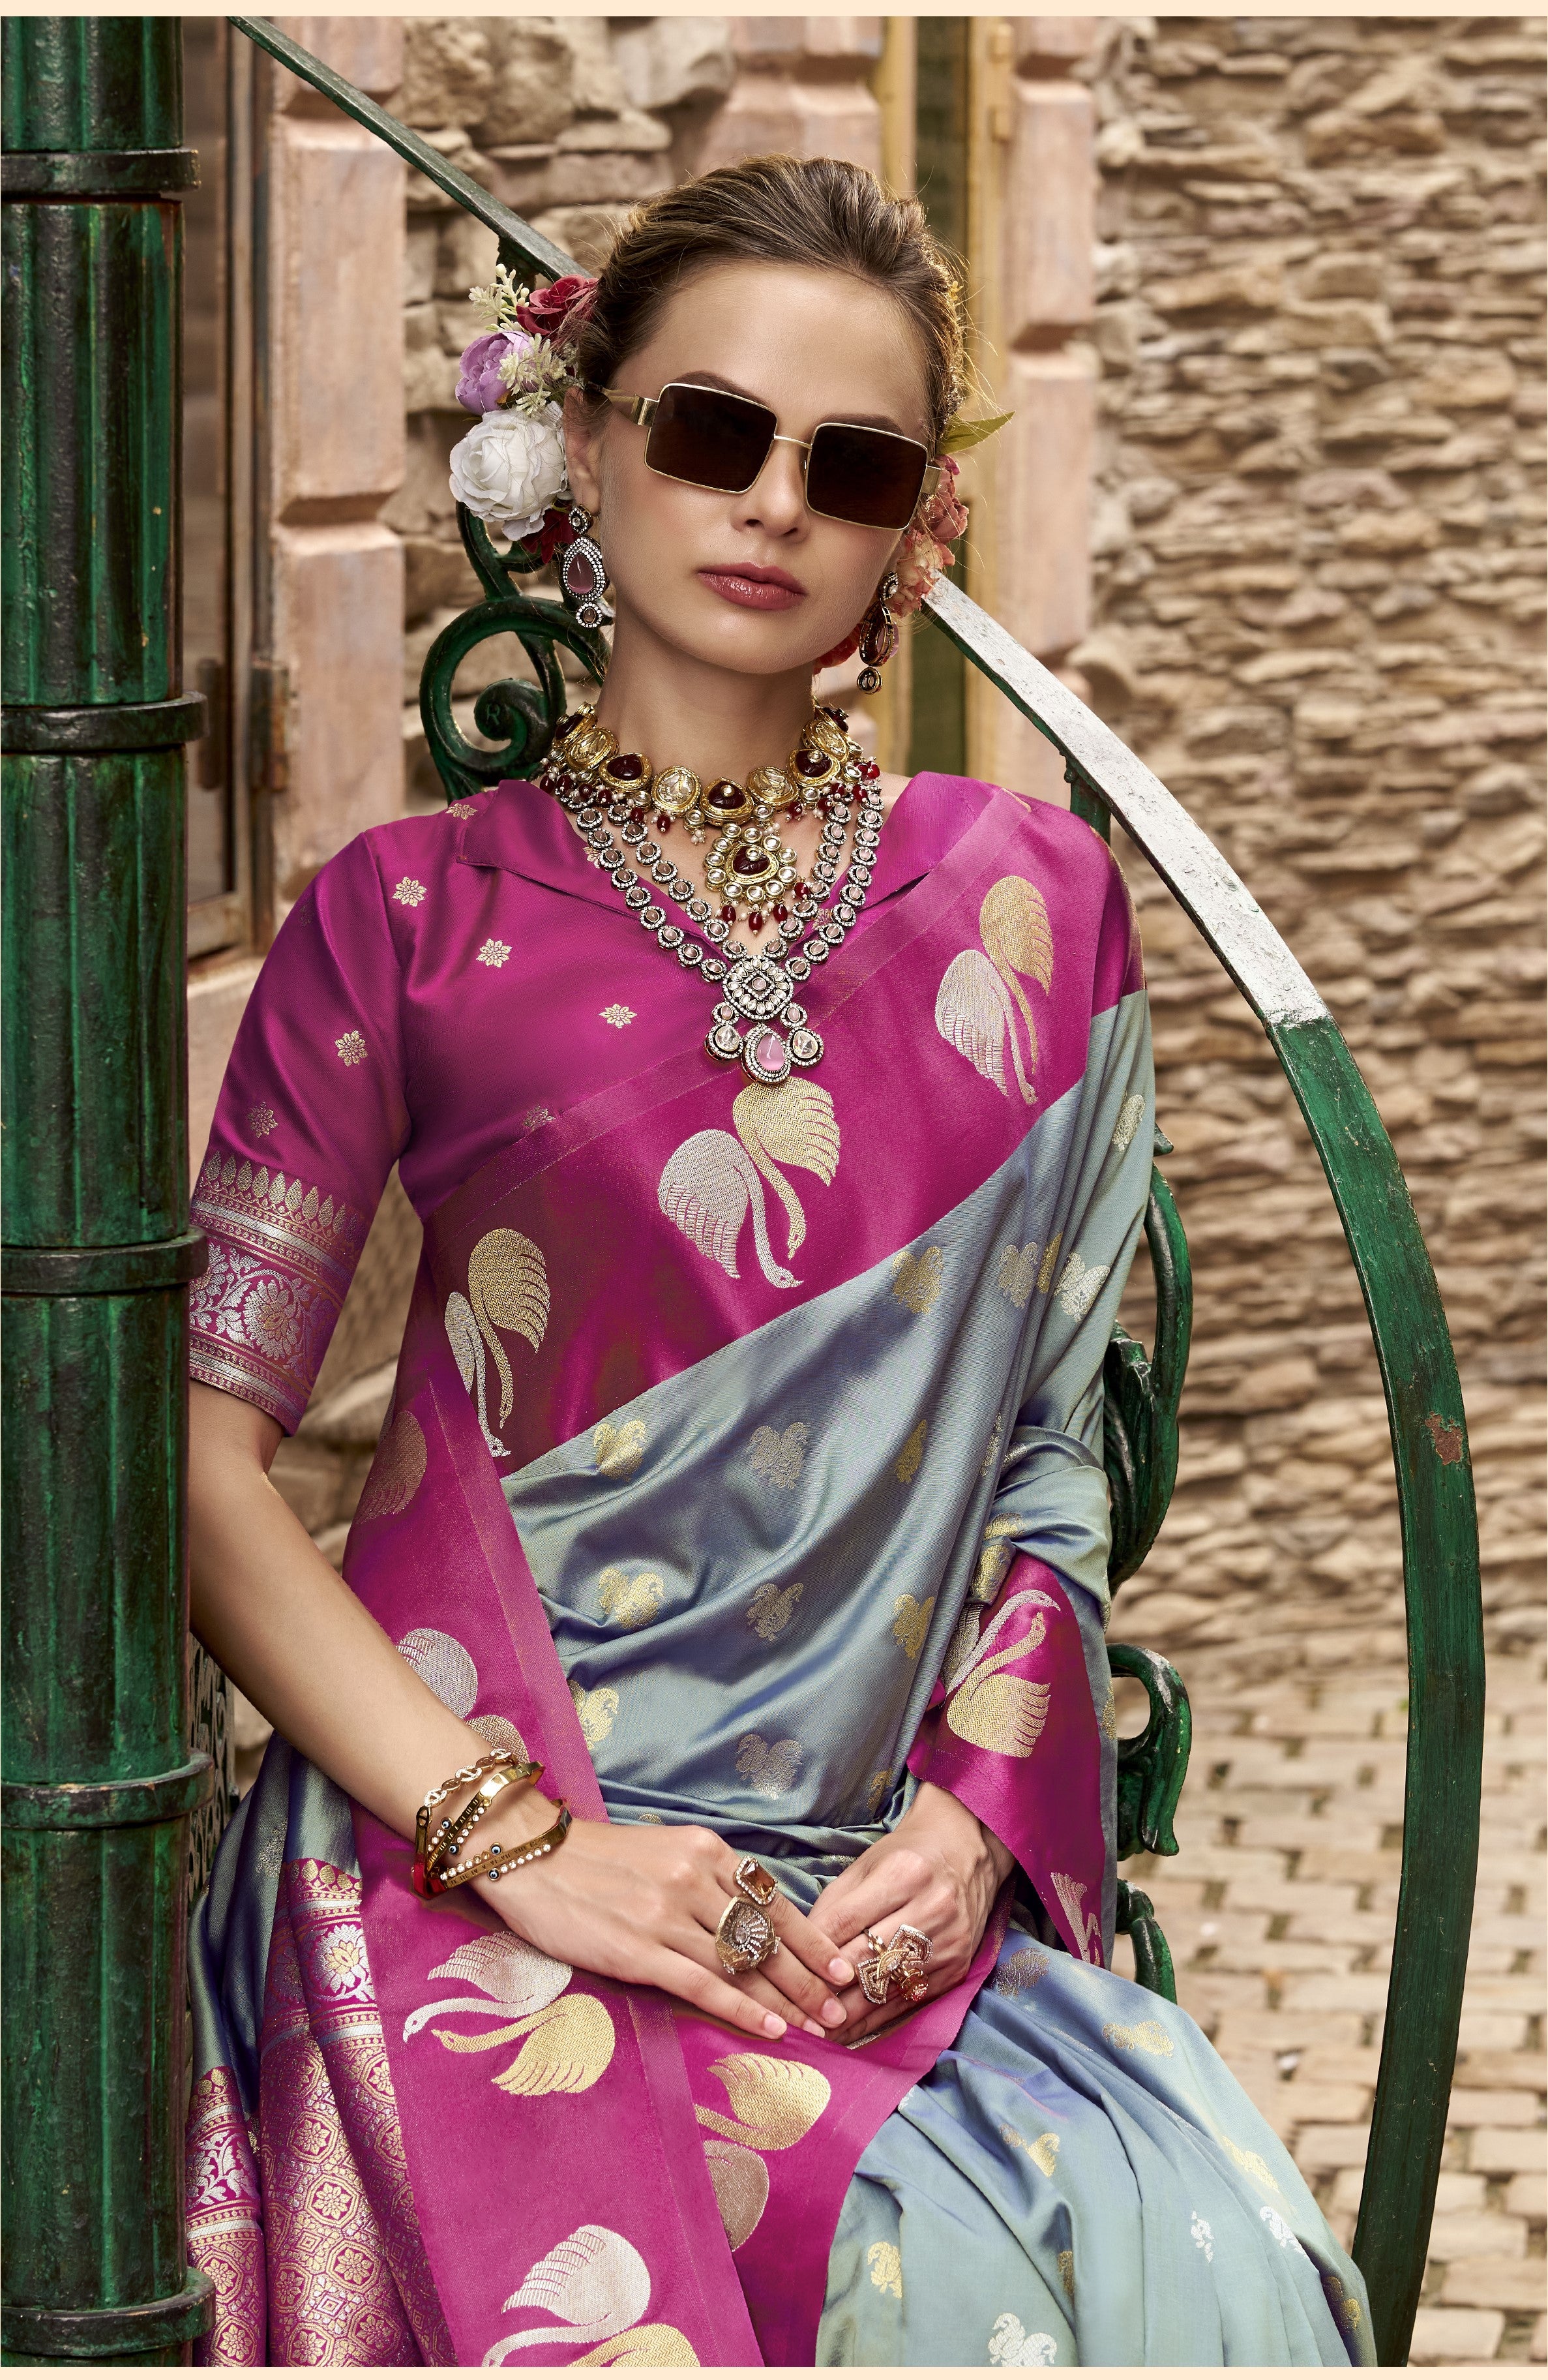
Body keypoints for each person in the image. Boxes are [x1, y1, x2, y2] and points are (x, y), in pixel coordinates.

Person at [185, 155, 1373, 2369]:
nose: (773, 504)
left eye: (856, 467)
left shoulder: (1031, 905)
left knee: (1186, 2258)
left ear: (915, 534)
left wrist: (975, 1821)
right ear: (584, 446)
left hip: (853, 1876)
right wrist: (516, 1839)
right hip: (460, 1845)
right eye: (713, 430)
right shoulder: (404, 923)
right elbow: (197, 1463)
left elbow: (1043, 1447)